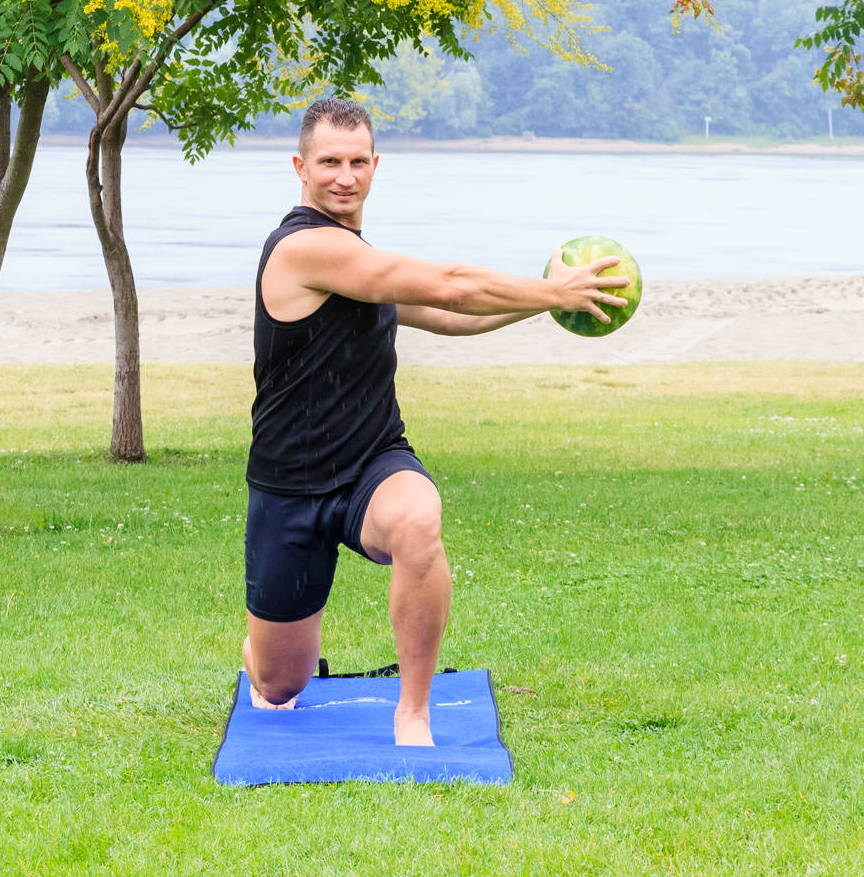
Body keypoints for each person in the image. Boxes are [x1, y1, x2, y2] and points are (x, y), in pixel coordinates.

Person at [241, 97, 629, 746]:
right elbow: (447, 283)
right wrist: (553, 290)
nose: (344, 175)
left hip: (371, 462)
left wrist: (547, 305)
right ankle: (259, 652)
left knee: (419, 520)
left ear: (374, 165)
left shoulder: (360, 262)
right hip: (290, 484)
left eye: (356, 161)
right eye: (329, 162)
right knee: (282, 681)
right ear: (299, 167)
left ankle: (412, 711)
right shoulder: (303, 250)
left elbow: (451, 315)